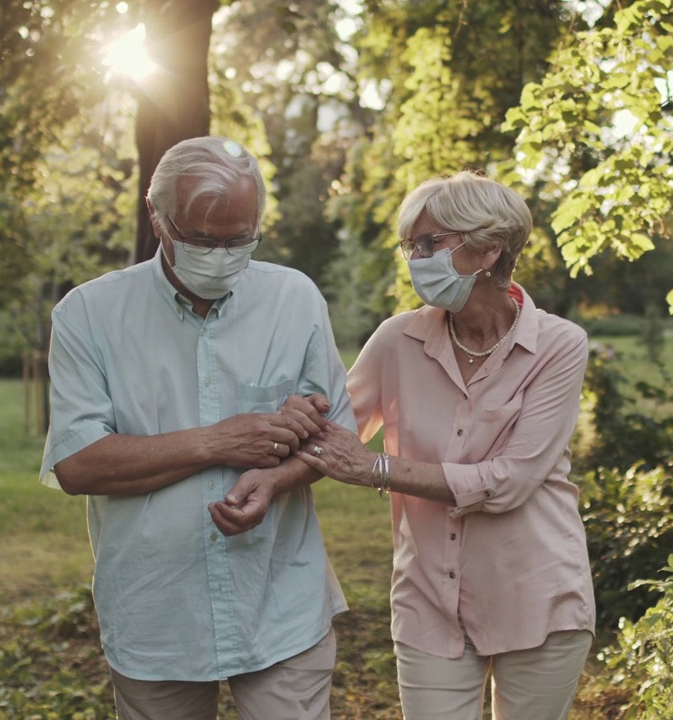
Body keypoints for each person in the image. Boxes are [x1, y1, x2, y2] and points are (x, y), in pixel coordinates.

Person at [40, 136, 352, 720]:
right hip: (156, 612)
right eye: (203, 240)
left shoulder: (295, 299)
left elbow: (334, 435)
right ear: (157, 218)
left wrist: (277, 477)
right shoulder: (88, 315)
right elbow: (79, 464)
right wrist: (220, 441)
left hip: (279, 600)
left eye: (240, 239)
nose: (222, 254)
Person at [294, 171, 596, 719]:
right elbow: (331, 435)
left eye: (430, 243)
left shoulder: (559, 345)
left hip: (539, 597)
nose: (415, 258)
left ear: (487, 249)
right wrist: (271, 454)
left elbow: (510, 481)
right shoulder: (396, 340)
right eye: (411, 245)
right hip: (429, 600)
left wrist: (378, 468)